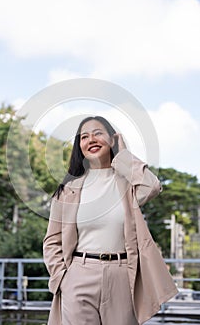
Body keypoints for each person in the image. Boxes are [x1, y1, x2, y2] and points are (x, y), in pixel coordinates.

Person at [43, 115, 178, 325]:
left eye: (98, 133)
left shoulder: (127, 185)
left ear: (112, 139)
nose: (91, 140)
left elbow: (152, 186)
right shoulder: (67, 191)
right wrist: (62, 279)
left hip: (122, 275)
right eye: (84, 137)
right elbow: (52, 241)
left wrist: (123, 156)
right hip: (79, 274)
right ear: (80, 146)